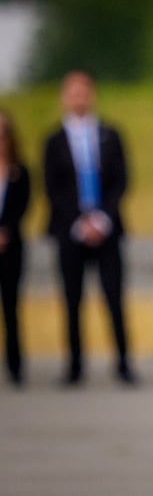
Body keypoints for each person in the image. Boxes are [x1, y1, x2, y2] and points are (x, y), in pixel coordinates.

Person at [43, 70, 136, 385]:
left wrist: (102, 218)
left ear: (92, 94)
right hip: (70, 230)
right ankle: (74, 365)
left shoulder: (111, 134)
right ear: (65, 97)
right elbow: (53, 188)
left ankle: (123, 364)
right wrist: (79, 221)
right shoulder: (53, 140)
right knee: (72, 299)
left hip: (107, 228)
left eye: (84, 91)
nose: (79, 97)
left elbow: (122, 180)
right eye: (73, 92)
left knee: (114, 297)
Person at [0, 111, 30, 387]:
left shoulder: (19, 171)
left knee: (11, 307)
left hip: (10, 245)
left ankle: (15, 365)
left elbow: (23, 206)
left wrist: (6, 230)